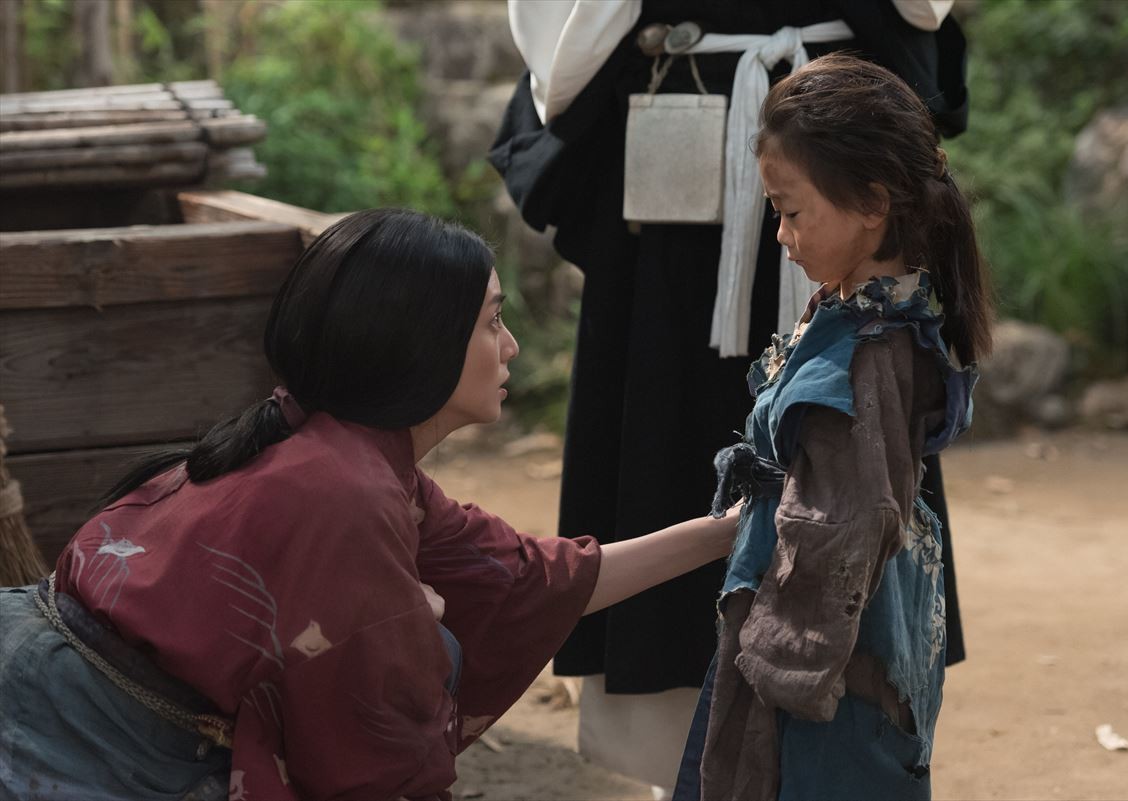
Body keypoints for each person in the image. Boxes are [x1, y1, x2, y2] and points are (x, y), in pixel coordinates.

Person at [0, 208, 740, 801]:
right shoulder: (344, 490)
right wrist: (412, 619)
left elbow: (532, 578)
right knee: (428, 645)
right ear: (422, 343)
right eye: (491, 322)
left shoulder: (351, 453)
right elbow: (371, 754)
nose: (511, 346)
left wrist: (731, 530)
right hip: (69, 737)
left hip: (69, 692)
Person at [490, 0, 970, 791]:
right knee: (670, 438)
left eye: (788, 216)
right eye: (777, 214)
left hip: (828, 130)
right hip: (677, 128)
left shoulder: (880, 344)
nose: (782, 236)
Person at [673, 53, 992, 801]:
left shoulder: (867, 355)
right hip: (831, 622)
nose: (781, 234)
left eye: (791, 211)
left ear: (873, 203)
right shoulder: (860, 316)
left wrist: (784, 658)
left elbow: (847, 521)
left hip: (828, 651)